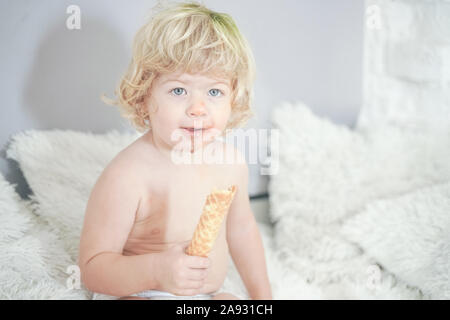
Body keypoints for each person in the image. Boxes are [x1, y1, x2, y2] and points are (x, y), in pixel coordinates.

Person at [78, 1, 272, 300]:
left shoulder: (231, 163)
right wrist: (156, 270)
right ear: (144, 96)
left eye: (214, 92)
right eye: (178, 90)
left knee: (230, 302)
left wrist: (262, 297)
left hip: (204, 295)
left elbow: (242, 231)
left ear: (233, 99)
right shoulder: (128, 174)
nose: (198, 109)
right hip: (138, 290)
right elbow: (93, 269)